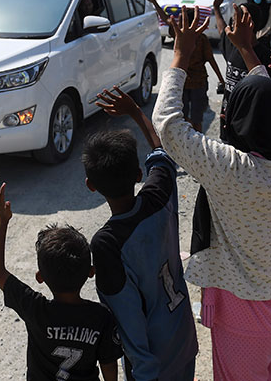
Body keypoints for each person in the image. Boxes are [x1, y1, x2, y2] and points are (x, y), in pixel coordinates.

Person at [152, 6, 271, 380]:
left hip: (247, 318)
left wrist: (179, 55)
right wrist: (248, 51)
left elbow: (169, 126)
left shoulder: (232, 170)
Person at [84, 86, 198, 381]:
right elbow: (161, 151)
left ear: (90, 186)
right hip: (183, 341)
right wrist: (135, 111)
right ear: (138, 175)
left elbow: (129, 321)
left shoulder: (108, 244)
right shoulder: (158, 195)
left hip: (152, 367)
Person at [0, 180, 123, 381]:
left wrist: (3, 220)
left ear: (40, 277)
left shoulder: (35, 309)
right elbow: (109, 365)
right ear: (91, 272)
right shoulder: (101, 317)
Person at [146, 0, 224, 132]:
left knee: (196, 119)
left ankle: (196, 140)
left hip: (197, 84)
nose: (178, 23)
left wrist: (221, 79)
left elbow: (211, 60)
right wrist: (153, 2)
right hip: (184, 83)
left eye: (182, 20)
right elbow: (165, 18)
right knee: (184, 117)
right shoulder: (180, 34)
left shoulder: (200, 39)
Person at [212, 0, 271, 138]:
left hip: (251, 133)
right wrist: (216, 8)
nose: (232, 23)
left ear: (249, 24)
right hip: (227, 128)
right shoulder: (232, 45)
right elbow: (222, 29)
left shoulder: (265, 57)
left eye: (236, 19)